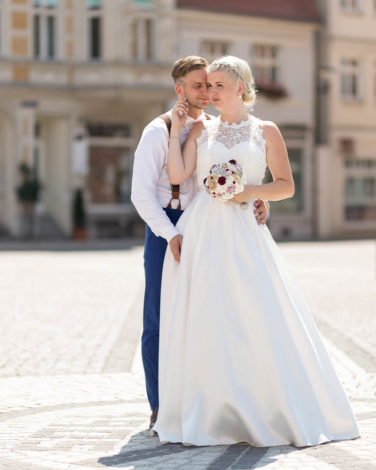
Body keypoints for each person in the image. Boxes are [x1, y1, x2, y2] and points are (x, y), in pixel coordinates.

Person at [153, 56, 361, 447]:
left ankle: (263, 407)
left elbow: (285, 185)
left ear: (241, 89)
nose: (210, 93)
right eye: (208, 86)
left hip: (245, 231)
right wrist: (176, 130)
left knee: (252, 313)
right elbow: (179, 176)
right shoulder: (200, 129)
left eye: (218, 86)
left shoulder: (265, 131)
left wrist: (248, 193)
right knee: (206, 316)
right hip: (202, 231)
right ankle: (211, 409)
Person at [131, 56, 269, 433]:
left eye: (209, 85)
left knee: (202, 316)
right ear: (180, 91)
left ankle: (201, 398)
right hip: (168, 226)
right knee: (159, 317)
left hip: (208, 227)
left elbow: (236, 167)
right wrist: (170, 234)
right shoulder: (156, 132)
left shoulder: (213, 127)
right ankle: (161, 405)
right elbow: (141, 196)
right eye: (197, 86)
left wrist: (258, 197)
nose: (206, 92)